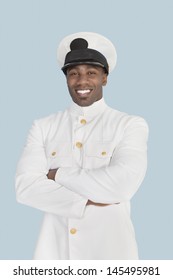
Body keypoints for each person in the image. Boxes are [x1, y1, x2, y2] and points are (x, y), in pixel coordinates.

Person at [15, 32, 149, 260]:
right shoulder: (43, 126)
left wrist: (57, 174)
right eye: (73, 73)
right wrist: (93, 198)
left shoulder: (129, 124)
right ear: (66, 78)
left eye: (91, 73)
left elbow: (123, 186)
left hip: (112, 254)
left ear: (105, 78)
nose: (82, 81)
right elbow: (25, 189)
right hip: (55, 255)